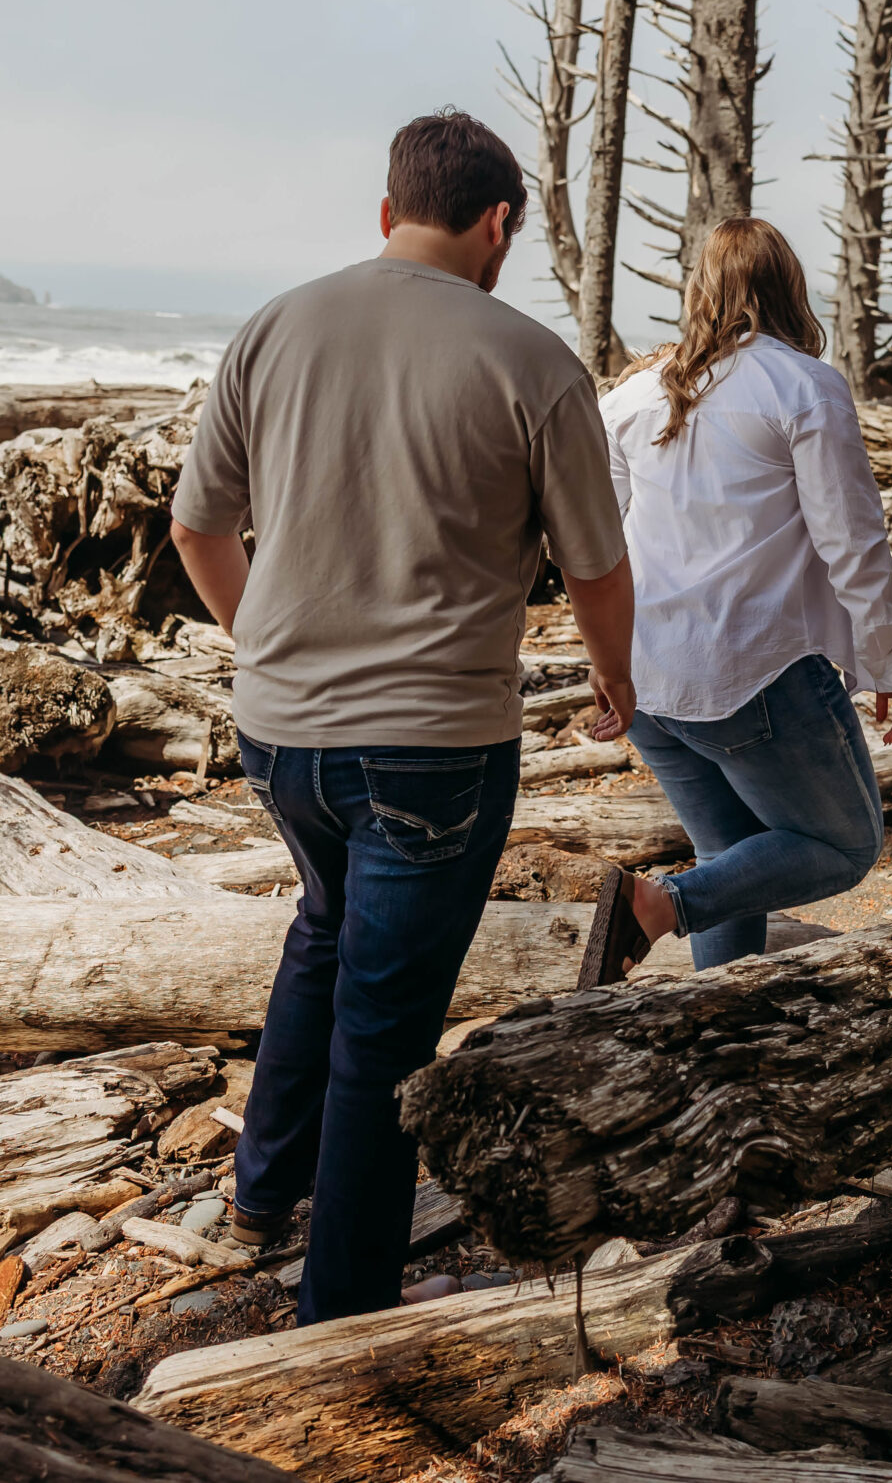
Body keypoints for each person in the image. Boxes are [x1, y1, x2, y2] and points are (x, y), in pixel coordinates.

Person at [167, 110, 634, 1324]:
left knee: (322, 930)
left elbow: (196, 528)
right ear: (499, 224)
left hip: (279, 733)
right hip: (431, 746)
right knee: (386, 1029)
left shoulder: (274, 326)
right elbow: (594, 564)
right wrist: (614, 679)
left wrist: (261, 646)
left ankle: (261, 1194)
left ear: (386, 214)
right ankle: (342, 1319)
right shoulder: (533, 363)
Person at [578, 216, 892, 985]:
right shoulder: (803, 386)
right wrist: (888, 661)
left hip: (650, 679)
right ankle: (659, 905)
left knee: (730, 860)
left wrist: (604, 661)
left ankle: (713, 1021)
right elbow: (853, 541)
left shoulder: (632, 398)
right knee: (846, 843)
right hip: (752, 673)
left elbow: (603, 547)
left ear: (700, 291)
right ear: (788, 290)